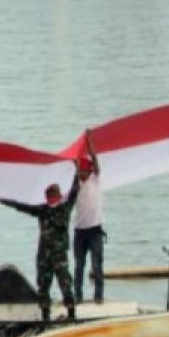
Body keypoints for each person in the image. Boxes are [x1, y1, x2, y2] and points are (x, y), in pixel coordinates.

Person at [0, 170, 81, 323]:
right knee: (43, 285)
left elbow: (75, 189)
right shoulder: (42, 210)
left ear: (59, 196)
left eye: (53, 196)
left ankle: (71, 313)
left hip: (59, 256)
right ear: (46, 198)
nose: (51, 199)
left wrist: (76, 171)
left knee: (65, 282)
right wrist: (0, 200)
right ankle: (45, 315)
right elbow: (21, 206)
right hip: (44, 255)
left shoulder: (65, 208)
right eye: (49, 197)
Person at [71, 130, 104, 305]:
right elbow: (74, 163)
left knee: (97, 266)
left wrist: (89, 142)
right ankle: (78, 297)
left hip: (95, 231)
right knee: (79, 267)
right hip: (79, 233)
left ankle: (98, 297)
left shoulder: (95, 180)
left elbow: (95, 161)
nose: (83, 172)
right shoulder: (74, 186)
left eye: (86, 169)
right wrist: (76, 154)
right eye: (81, 170)